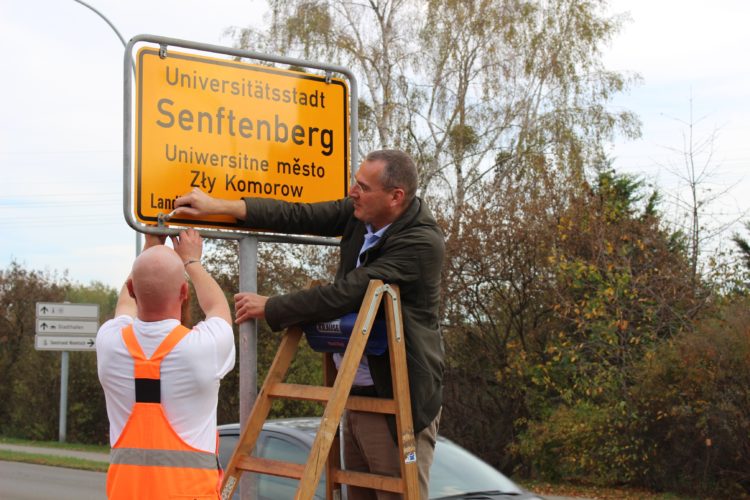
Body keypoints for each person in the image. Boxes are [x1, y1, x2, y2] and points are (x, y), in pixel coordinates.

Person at [174, 149, 444, 500]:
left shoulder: (421, 242)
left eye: (362, 186)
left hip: (396, 399)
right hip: (355, 392)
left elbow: (346, 294)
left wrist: (273, 307)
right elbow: (297, 215)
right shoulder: (362, 214)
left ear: (396, 197)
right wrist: (220, 206)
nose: (352, 192)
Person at [96, 229, 235, 499]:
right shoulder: (202, 348)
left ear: (133, 289)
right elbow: (218, 308)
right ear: (184, 292)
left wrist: (149, 249)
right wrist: (192, 261)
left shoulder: (110, 344)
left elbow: (124, 308)